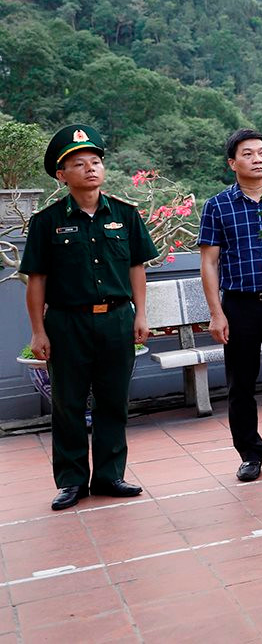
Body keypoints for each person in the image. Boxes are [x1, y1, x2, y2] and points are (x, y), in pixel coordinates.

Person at [21, 125, 158, 511]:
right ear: (61, 175)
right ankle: (71, 481)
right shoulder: (47, 222)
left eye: (95, 162)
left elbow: (136, 269)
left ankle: (110, 475)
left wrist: (141, 314)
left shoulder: (126, 216)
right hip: (67, 323)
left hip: (116, 320)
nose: (90, 169)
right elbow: (37, 281)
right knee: (68, 403)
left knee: (114, 400)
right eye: (78, 164)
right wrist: (38, 330)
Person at [198, 129, 262, 482]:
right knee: (240, 384)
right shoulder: (217, 206)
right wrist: (216, 313)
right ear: (232, 163)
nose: (258, 159)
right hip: (240, 305)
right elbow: (209, 263)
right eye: (248, 154)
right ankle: (249, 454)